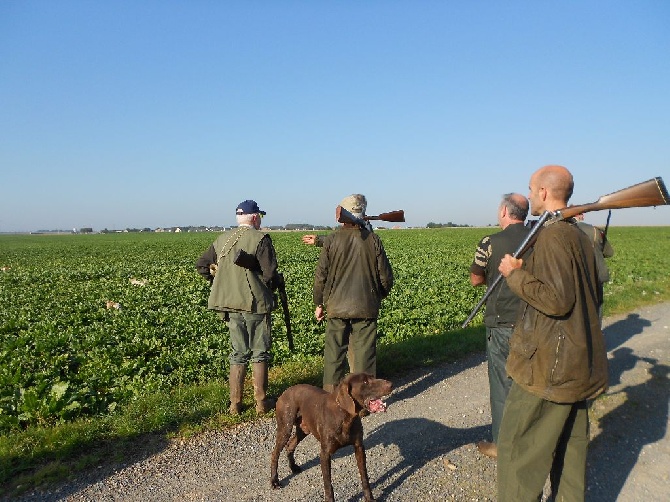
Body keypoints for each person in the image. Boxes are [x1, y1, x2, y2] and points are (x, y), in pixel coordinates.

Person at [497, 165, 608, 501]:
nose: (529, 195)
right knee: (570, 454)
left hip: (548, 369)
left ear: (544, 192)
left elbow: (557, 299)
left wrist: (515, 274)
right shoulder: (581, 235)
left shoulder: (552, 235)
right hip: (577, 364)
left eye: (532, 189)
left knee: (519, 452)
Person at [196, 199, 280, 415]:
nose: (260, 219)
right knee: (259, 352)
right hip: (255, 304)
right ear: (254, 217)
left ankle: (235, 405)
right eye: (259, 215)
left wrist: (219, 280)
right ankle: (261, 403)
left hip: (230, 305)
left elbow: (202, 266)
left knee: (238, 353)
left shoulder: (222, 239)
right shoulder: (261, 238)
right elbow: (269, 273)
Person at [469, 193, 530, 459]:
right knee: (530, 382)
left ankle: (503, 445)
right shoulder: (538, 238)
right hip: (533, 321)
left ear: (505, 211)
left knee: (501, 385)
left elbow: (475, 279)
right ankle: (531, 439)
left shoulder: (489, 242)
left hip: (501, 322)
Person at [313, 194, 394, 392]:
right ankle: (363, 399)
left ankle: (331, 399)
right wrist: (376, 296)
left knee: (334, 354)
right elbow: (386, 278)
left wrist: (319, 303)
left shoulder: (331, 240)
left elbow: (320, 276)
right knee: (364, 354)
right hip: (366, 307)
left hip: (336, 306)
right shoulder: (374, 240)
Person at [574, 211, 615, 320]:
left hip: (577, 276)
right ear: (580, 216)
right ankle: (597, 334)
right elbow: (609, 253)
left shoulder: (563, 230)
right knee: (597, 307)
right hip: (597, 274)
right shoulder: (595, 231)